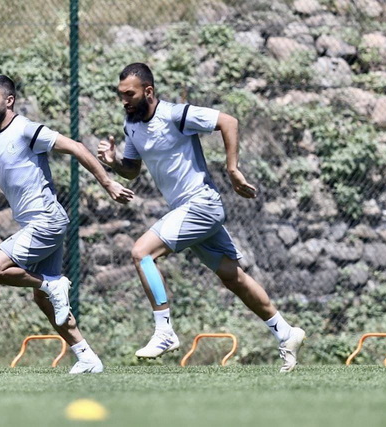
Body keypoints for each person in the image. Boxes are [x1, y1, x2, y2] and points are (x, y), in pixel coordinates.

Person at [97, 63, 305, 372]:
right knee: (233, 277)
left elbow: (228, 122)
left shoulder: (175, 115)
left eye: (130, 94)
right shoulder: (132, 126)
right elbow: (132, 169)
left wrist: (232, 169)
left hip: (201, 204)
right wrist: (113, 161)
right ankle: (286, 333)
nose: (124, 100)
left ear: (148, 91)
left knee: (141, 253)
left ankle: (164, 332)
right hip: (186, 210)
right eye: (121, 95)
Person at [0, 74, 134, 374]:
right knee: (44, 300)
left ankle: (52, 284)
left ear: (9, 100)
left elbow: (77, 147)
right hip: (37, 224)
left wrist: (108, 183)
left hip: (46, 220)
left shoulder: (26, 130)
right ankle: (87, 357)